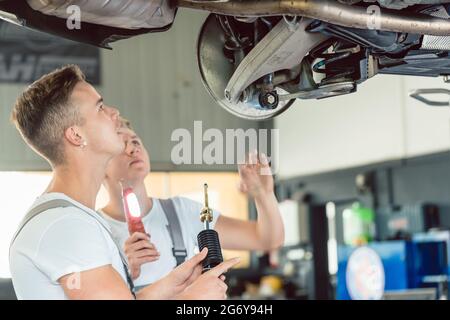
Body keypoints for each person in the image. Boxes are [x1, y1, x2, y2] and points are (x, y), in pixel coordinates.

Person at [9, 65, 238, 300]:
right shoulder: (66, 225)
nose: (114, 112)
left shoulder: (73, 218)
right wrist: (192, 299)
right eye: (100, 108)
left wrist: (171, 286)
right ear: (76, 136)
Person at [100, 119, 285, 288]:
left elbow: (267, 239)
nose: (133, 148)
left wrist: (264, 194)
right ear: (98, 166)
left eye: (135, 141)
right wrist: (125, 273)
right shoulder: (93, 229)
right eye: (120, 145)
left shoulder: (181, 212)